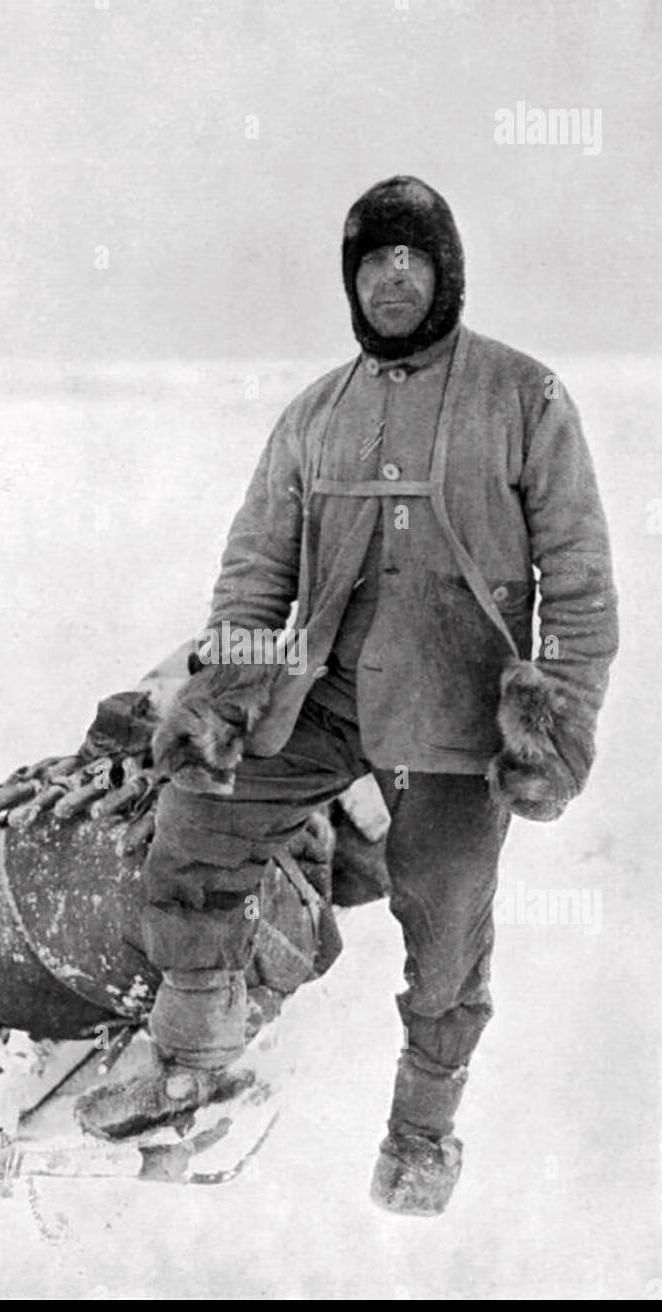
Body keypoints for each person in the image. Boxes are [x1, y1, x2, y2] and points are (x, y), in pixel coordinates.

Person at [94, 175, 619, 1214]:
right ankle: (192, 1058)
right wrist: (223, 696)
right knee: (194, 826)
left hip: (453, 721)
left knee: (447, 940)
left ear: (444, 271)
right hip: (325, 700)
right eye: (371, 260)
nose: (391, 276)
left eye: (410, 258)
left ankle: (418, 1137)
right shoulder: (313, 414)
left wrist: (554, 716)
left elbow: (580, 580)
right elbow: (254, 573)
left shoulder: (525, 396)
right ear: (350, 280)